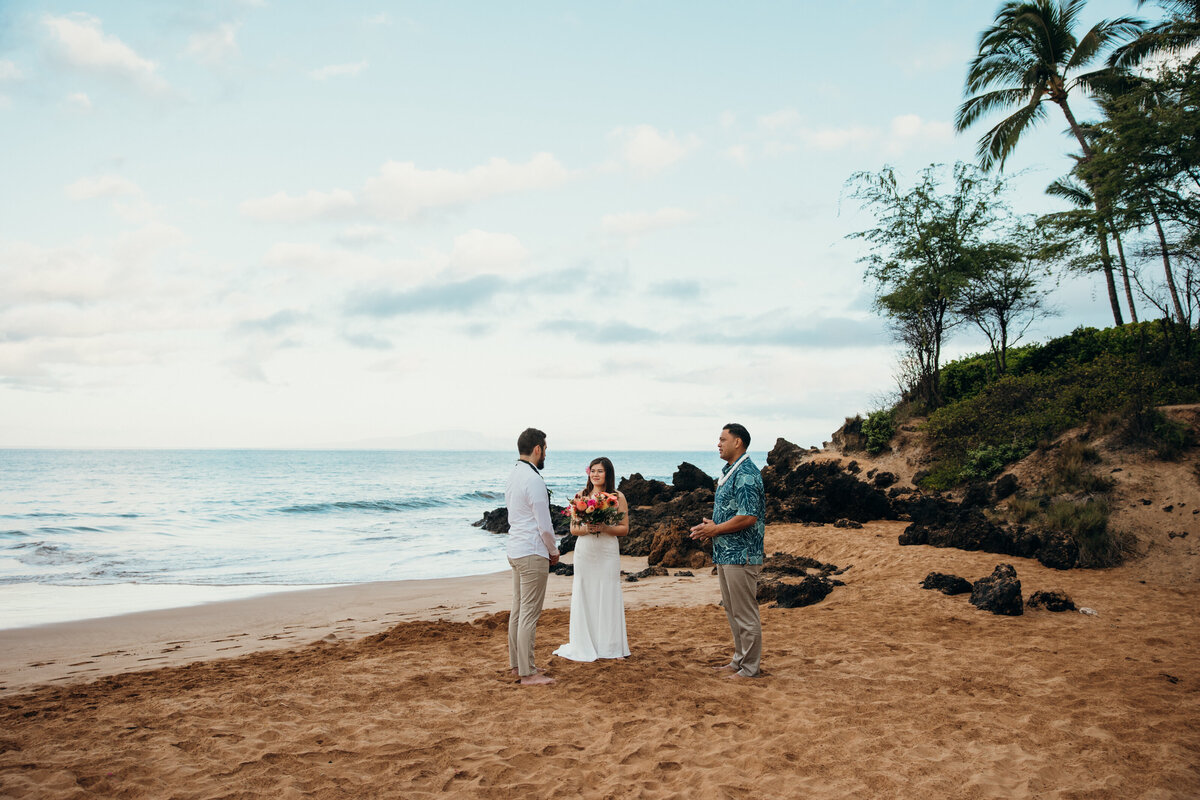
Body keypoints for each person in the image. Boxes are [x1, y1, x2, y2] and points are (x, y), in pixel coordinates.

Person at [689, 423, 765, 679]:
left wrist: (716, 529)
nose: (718, 444)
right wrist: (711, 528)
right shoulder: (731, 471)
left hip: (741, 554)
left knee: (745, 613)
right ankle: (739, 660)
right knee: (733, 611)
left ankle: (750, 668)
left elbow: (748, 516)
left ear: (738, 442)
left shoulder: (746, 473)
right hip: (726, 553)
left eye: (722, 439)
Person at [553, 457, 631, 662]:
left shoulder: (617, 496)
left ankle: (611, 646)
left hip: (607, 550)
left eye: (600, 471)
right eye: (593, 470)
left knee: (608, 592)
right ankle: (585, 643)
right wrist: (587, 528)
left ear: (608, 474)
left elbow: (624, 528)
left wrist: (605, 528)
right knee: (585, 592)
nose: (595, 474)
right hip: (586, 550)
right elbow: (573, 528)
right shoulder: (581, 496)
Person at [505, 427, 560, 686]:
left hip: (515, 549)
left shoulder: (513, 475)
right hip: (531, 552)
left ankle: (518, 665)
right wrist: (554, 550)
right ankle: (528, 673)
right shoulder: (534, 480)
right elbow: (545, 526)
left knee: (518, 611)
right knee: (529, 614)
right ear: (537, 449)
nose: (545, 453)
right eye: (545, 449)